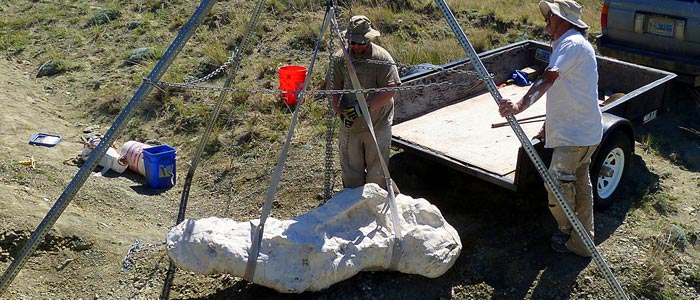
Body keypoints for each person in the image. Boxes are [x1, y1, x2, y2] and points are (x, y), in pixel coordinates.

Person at [497, 0, 602, 257]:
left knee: (555, 183)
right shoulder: (568, 44)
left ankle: (568, 232)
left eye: (550, 16)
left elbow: (550, 76)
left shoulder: (572, 44)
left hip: (575, 136)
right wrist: (548, 124)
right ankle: (583, 240)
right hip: (584, 131)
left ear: (564, 21)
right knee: (580, 183)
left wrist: (520, 104)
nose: (546, 19)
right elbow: (569, 91)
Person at [329, 15, 401, 190]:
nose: (356, 46)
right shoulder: (340, 59)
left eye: (361, 43)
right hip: (350, 125)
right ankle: (353, 206)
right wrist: (340, 111)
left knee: (377, 173)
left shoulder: (381, 57)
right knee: (351, 173)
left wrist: (364, 108)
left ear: (369, 39)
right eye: (353, 43)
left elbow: (390, 89)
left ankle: (377, 207)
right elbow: (333, 89)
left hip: (377, 123)